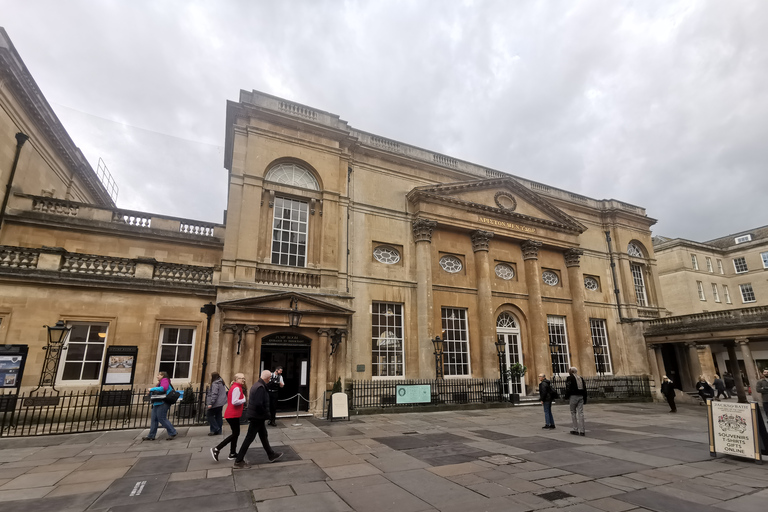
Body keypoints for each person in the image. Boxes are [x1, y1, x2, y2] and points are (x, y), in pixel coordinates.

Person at [233, 370, 283, 469]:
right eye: (269, 378)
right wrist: (266, 414)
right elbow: (259, 404)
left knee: (263, 435)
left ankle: (271, 455)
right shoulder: (260, 387)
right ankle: (238, 461)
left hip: (257, 416)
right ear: (268, 378)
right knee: (249, 438)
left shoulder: (258, 385)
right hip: (257, 417)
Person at [211, 373, 247, 462]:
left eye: (244, 378)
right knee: (235, 434)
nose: (243, 380)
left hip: (233, 414)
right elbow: (235, 401)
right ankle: (217, 449)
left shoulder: (235, 387)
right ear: (236, 379)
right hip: (232, 415)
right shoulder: (237, 388)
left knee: (236, 433)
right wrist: (244, 399)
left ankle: (232, 453)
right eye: (241, 378)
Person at [143, 371, 178, 441]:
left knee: (161, 418)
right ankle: (151, 435)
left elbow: (163, 388)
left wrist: (151, 389)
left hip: (163, 403)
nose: (157, 376)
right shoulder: (159, 383)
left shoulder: (165, 380)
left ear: (163, 376)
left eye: (159, 375)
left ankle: (172, 432)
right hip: (157, 403)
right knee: (154, 420)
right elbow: (158, 392)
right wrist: (150, 393)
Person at [564, 367, 587, 436]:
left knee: (573, 412)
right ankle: (582, 430)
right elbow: (585, 389)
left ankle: (575, 429)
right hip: (581, 396)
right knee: (581, 413)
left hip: (573, 396)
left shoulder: (569, 378)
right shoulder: (581, 378)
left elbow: (568, 388)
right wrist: (585, 398)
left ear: (571, 371)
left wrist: (566, 397)